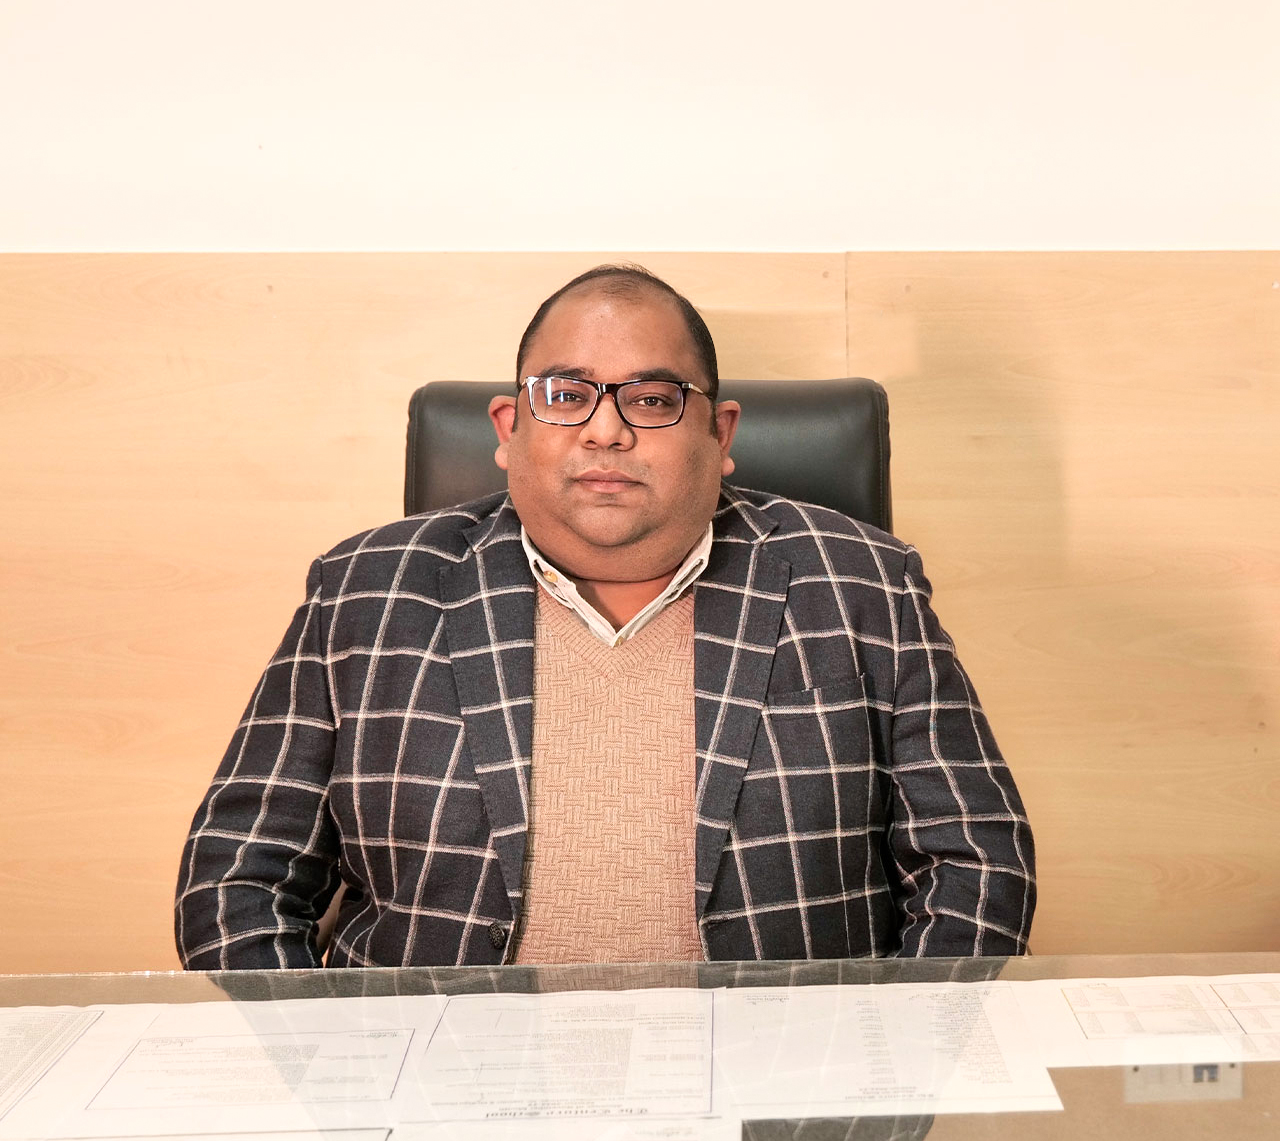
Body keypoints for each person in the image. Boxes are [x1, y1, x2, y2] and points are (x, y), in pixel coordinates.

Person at [175, 265, 1035, 970]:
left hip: (781, 1091)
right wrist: (336, 1074)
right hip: (439, 1096)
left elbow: (977, 862)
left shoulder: (861, 584)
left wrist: (891, 1064)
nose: (606, 432)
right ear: (508, 427)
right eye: (566, 394)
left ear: (719, 434)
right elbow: (237, 880)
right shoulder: (367, 590)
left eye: (652, 399)